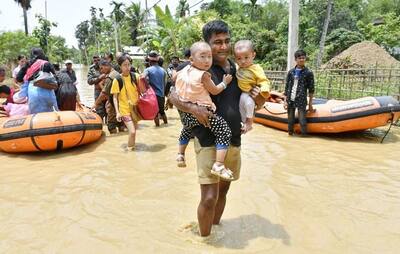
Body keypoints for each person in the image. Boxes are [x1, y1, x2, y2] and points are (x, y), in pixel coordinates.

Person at [169, 20, 265, 237]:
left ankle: (214, 230)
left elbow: (256, 104)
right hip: (206, 139)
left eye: (227, 41)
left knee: (224, 190)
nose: (223, 47)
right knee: (209, 196)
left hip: (233, 139)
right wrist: (194, 109)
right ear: (206, 44)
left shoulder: (240, 67)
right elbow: (171, 94)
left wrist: (258, 98)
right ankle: (204, 243)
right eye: (217, 42)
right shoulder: (196, 66)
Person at [175, 41, 234, 181]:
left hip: (186, 115)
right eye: (202, 56)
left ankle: (180, 154)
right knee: (224, 131)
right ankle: (219, 165)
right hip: (203, 113)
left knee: (186, 129)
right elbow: (214, 90)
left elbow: (173, 80)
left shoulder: (181, 71)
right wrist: (225, 83)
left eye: (209, 57)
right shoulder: (204, 75)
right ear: (191, 59)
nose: (207, 60)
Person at [234, 40, 271, 133]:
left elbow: (263, 80)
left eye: (246, 57)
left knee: (249, 104)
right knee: (241, 105)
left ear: (253, 55)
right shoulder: (237, 68)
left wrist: (264, 90)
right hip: (243, 93)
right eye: (239, 58)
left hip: (250, 93)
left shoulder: (256, 68)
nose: (243, 61)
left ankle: (249, 122)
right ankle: (243, 123)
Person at [111, 54, 141, 151]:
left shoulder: (135, 76)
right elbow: (115, 98)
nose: (127, 67)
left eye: (129, 64)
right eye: (125, 65)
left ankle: (132, 148)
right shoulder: (117, 80)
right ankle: (129, 150)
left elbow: (143, 90)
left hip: (135, 109)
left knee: (134, 131)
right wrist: (117, 112)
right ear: (120, 66)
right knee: (132, 131)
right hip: (124, 110)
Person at [16, 47, 59, 114]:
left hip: (33, 92)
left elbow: (18, 78)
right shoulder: (47, 63)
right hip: (48, 91)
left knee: (35, 116)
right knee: (52, 115)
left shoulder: (28, 64)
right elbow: (57, 78)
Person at [283, 49, 315, 136]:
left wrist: (310, 103)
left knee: (302, 120)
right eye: (299, 58)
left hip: (301, 99)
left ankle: (304, 136)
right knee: (290, 121)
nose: (302, 60)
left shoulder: (309, 73)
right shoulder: (291, 72)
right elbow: (287, 87)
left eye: (303, 58)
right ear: (296, 59)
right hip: (291, 98)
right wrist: (285, 101)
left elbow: (311, 89)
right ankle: (290, 135)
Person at [93, 59, 124, 133]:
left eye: (101, 68)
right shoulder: (117, 74)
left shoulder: (110, 77)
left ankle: (114, 142)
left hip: (113, 104)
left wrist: (95, 104)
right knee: (121, 124)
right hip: (121, 104)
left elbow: (103, 93)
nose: (101, 71)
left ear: (107, 66)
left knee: (111, 125)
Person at [143, 51, 168, 126]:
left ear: (149, 61)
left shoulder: (148, 70)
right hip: (161, 95)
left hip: (153, 96)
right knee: (162, 112)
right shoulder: (163, 70)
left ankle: (157, 126)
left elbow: (143, 77)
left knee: (155, 114)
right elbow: (164, 83)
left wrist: (147, 86)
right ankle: (166, 124)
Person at [87, 55, 107, 119]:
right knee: (99, 110)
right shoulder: (91, 69)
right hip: (98, 91)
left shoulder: (105, 66)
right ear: (93, 61)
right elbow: (89, 81)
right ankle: (101, 126)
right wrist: (98, 78)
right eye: (95, 60)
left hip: (107, 90)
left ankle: (108, 127)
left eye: (98, 60)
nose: (97, 62)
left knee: (108, 110)